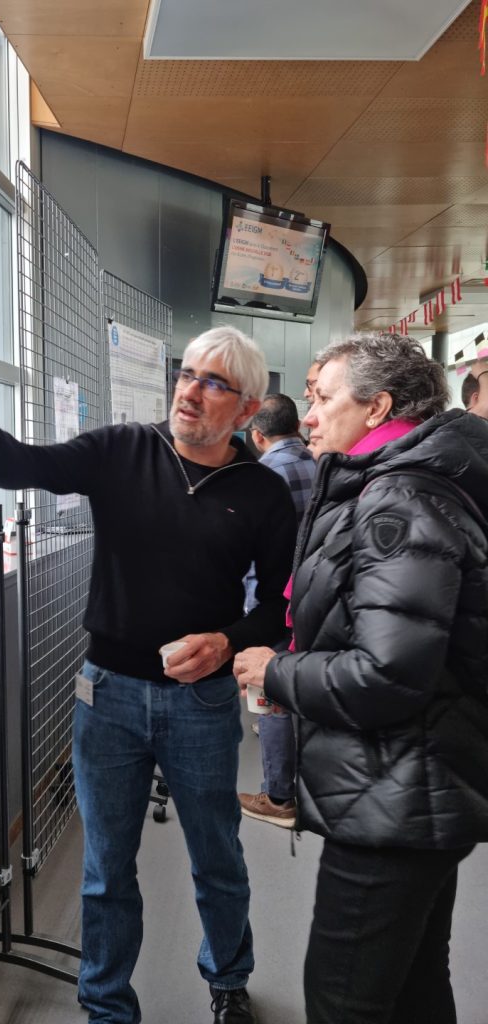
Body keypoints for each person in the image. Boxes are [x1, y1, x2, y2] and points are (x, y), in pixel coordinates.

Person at [0, 327, 297, 1024]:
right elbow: (18, 465)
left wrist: (227, 641)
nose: (190, 391)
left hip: (202, 702)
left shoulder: (263, 492)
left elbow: (276, 605)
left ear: (246, 410)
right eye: (187, 374)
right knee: (106, 867)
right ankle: (107, 1006)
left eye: (214, 383)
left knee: (217, 857)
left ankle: (228, 978)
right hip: (107, 695)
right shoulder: (123, 450)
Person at [233, 332, 488, 1024]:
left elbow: (386, 673)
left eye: (322, 399)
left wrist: (276, 671)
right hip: (416, 786)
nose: (308, 417)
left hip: (392, 796)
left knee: (344, 1000)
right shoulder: (407, 479)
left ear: (377, 408)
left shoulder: (399, 498)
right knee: (414, 989)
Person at [239, 394, 316, 828]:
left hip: (274, 602)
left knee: (268, 692)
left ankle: (278, 795)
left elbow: (249, 553)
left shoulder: (263, 475)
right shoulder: (318, 462)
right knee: (296, 685)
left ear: (257, 435)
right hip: (312, 597)